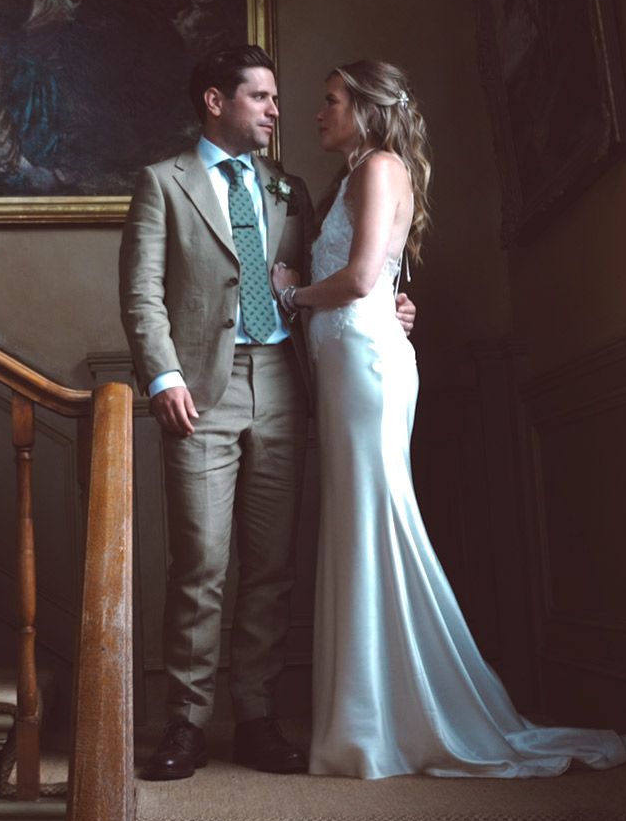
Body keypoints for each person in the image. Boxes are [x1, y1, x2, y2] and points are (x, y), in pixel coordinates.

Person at [270, 60, 626, 779]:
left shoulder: (378, 168)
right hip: (351, 362)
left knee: (377, 521)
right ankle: (368, 716)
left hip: (367, 365)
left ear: (368, 110)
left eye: (331, 101)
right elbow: (387, 281)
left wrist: (290, 292)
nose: (317, 112)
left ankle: (388, 721)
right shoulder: (356, 175)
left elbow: (364, 280)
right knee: (358, 523)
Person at [119, 45, 413, 782]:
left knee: (272, 565)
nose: (277, 111)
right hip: (199, 390)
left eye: (280, 98)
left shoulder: (292, 188)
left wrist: (393, 304)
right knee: (200, 559)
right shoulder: (162, 184)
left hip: (286, 380)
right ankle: (184, 724)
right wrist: (162, 377)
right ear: (216, 101)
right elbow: (142, 294)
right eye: (261, 97)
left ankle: (256, 717)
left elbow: (336, 273)